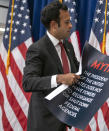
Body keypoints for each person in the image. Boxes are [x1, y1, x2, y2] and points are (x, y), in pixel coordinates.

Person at [22, 1, 80, 131]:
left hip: (64, 118)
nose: (71, 25)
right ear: (54, 25)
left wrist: (106, 62)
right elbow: (28, 82)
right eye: (66, 22)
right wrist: (59, 78)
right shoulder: (37, 49)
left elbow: (78, 71)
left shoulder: (68, 46)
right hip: (45, 123)